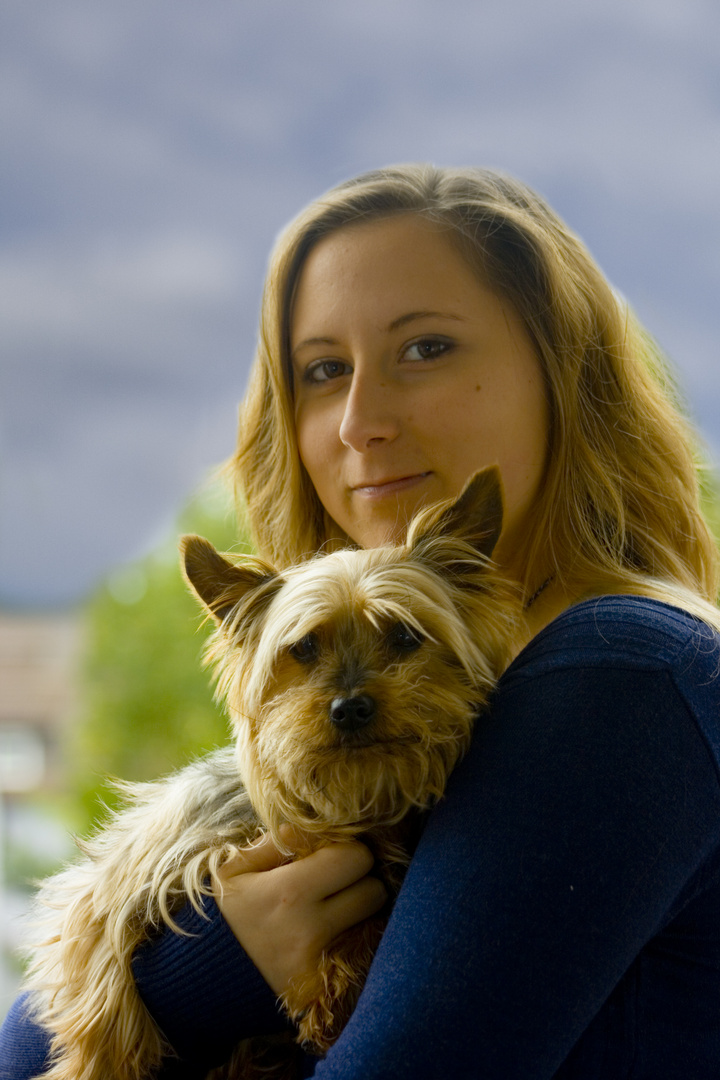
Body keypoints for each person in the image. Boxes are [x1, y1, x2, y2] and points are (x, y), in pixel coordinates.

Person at [3, 164, 720, 1079]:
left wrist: (208, 976)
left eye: (425, 349)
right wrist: (212, 965)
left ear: (561, 364)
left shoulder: (615, 677)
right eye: (323, 371)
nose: (359, 421)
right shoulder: (497, 713)